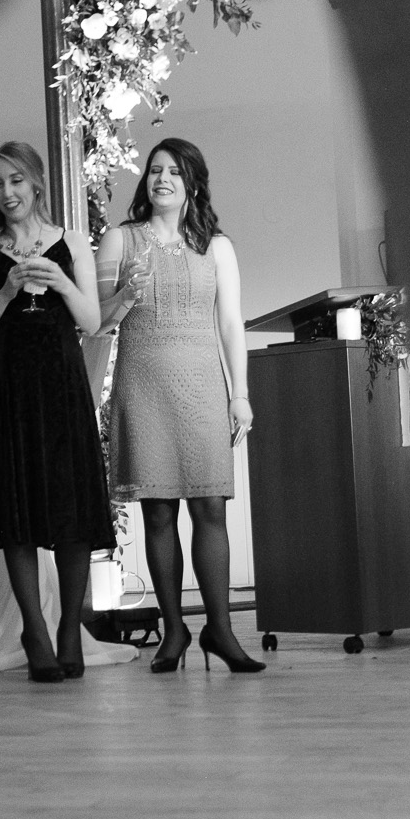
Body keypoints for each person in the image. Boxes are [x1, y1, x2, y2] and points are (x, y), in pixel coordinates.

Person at [96, 138, 265, 674]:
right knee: (159, 510)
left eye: (173, 171)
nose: (161, 179)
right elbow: (94, 320)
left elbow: (231, 324)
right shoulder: (121, 241)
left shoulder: (217, 247)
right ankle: (173, 631)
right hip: (142, 385)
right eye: (153, 171)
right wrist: (124, 294)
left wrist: (239, 394)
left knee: (211, 506)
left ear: (192, 182)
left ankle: (221, 630)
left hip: (202, 386)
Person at [0, 141, 122, 682]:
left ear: (36, 184)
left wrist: (63, 282)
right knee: (18, 513)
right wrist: (5, 292)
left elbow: (93, 323)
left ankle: (69, 627)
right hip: (6, 388)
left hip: (60, 383)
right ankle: (34, 630)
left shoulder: (71, 240)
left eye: (17, 181)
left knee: (71, 508)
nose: (8, 193)